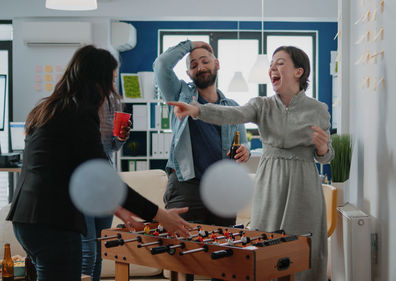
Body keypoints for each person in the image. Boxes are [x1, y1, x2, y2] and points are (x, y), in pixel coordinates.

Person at [6, 45, 191, 281]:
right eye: (111, 80)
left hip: (26, 222)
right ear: (96, 80)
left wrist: (119, 209)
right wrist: (161, 216)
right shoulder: (80, 114)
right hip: (53, 223)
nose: (113, 88)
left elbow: (74, 171)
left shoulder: (50, 108)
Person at [168, 46, 334, 281]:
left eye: (280, 63)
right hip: (271, 181)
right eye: (271, 65)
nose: (272, 69)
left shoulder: (318, 110)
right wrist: (198, 110)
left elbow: (327, 156)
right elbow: (231, 114)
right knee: (265, 243)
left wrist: (323, 148)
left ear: (299, 71)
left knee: (302, 245)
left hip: (304, 182)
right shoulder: (261, 105)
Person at [153, 41, 249, 227]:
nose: (201, 67)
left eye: (205, 61)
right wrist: (191, 44)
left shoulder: (232, 106)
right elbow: (161, 65)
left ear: (217, 64)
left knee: (223, 249)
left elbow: (243, 142)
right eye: (194, 65)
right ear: (188, 73)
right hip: (186, 185)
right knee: (181, 249)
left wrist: (245, 149)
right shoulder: (179, 93)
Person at [81, 76, 132, 281]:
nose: (112, 84)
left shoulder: (112, 106)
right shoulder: (78, 108)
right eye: (107, 78)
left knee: (100, 248)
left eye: (112, 79)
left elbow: (112, 146)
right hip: (83, 185)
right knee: (88, 250)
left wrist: (121, 138)